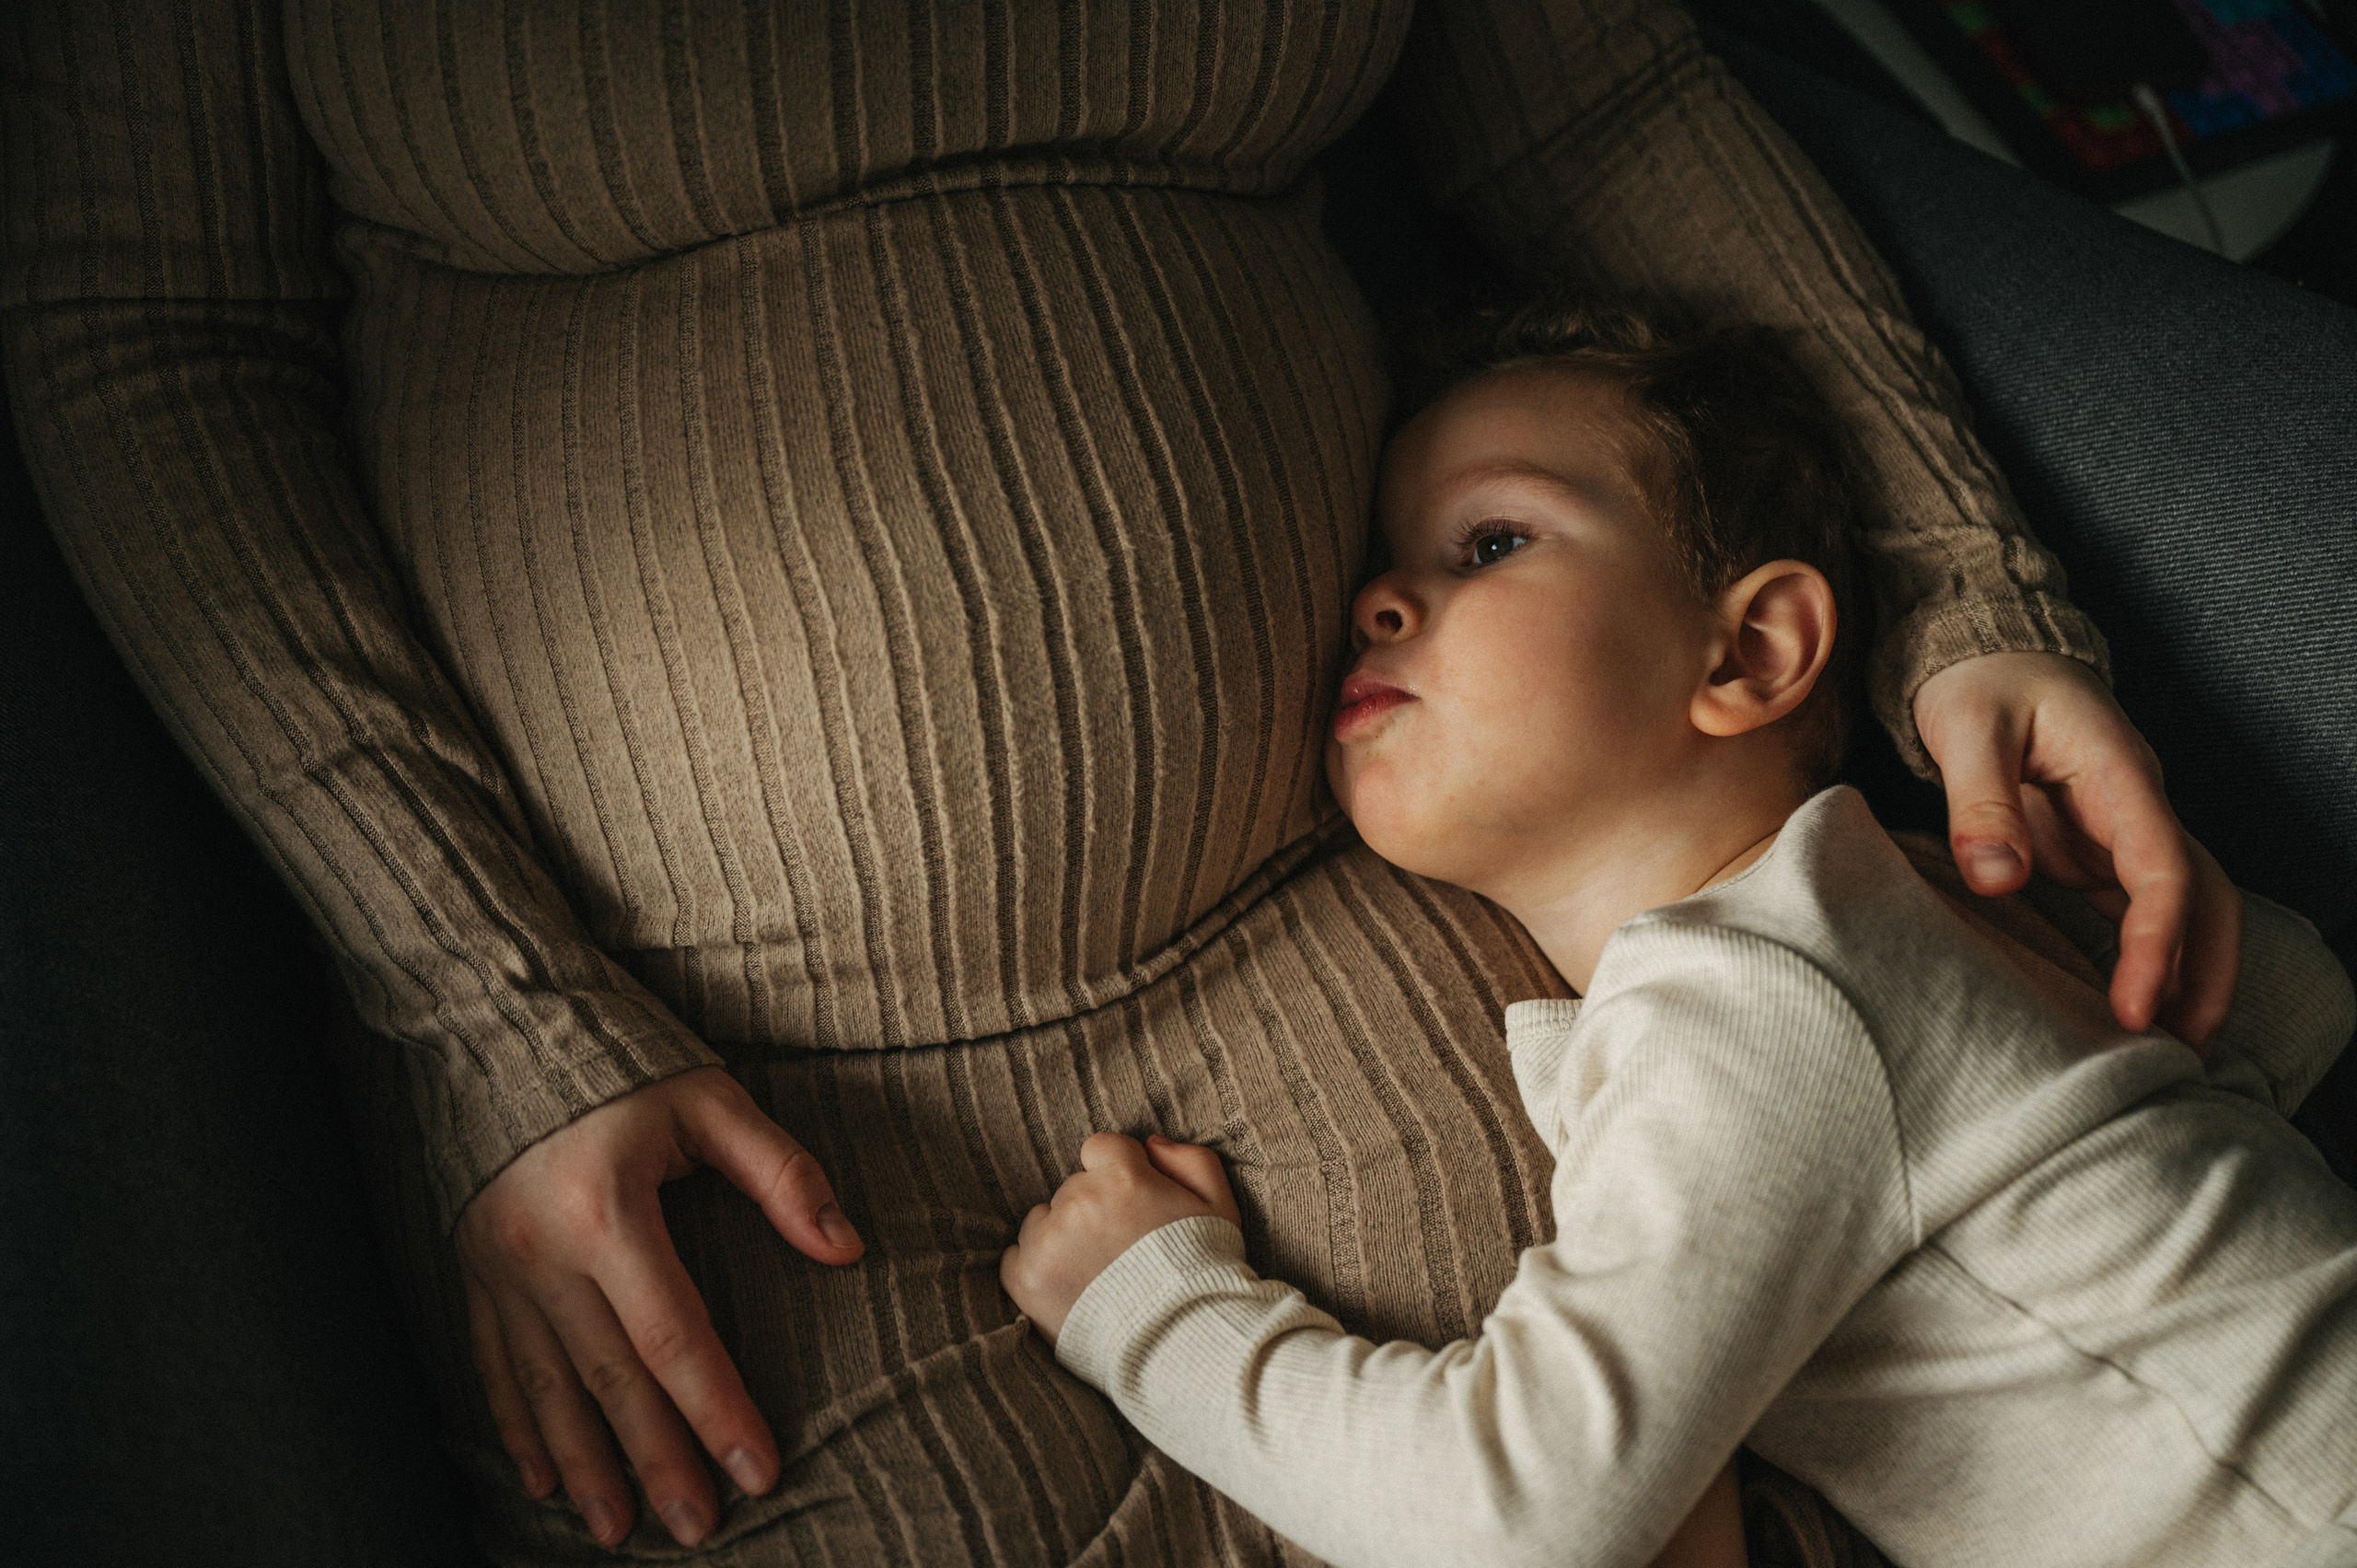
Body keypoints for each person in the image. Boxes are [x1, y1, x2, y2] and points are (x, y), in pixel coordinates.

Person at [1, 2, 2254, 1561]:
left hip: (1380, 939)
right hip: (718, 1099)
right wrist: (487, 1003)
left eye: (1458, 554)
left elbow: (1590, 106)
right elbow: (143, 319)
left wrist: (1969, 590)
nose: (1380, 601)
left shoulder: (1715, 1023)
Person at [998, 297, 2357, 1568]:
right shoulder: (1895, 911)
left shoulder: (1752, 994)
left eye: (1488, 544)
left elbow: (1519, 1520)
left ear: (1751, 652)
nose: (1377, 602)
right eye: (1386, 564)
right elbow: (2296, 1004)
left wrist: (1152, 1309)